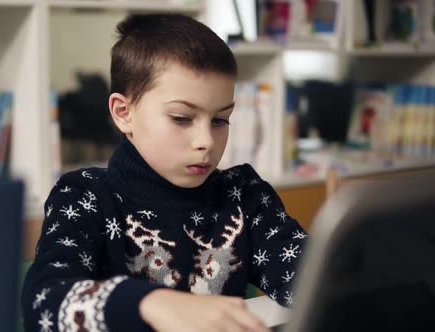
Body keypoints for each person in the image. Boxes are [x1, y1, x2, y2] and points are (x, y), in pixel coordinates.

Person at [22, 14, 307, 332]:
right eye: (182, 118)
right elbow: (44, 300)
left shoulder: (244, 195)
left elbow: (312, 278)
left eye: (220, 120)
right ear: (123, 112)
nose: (206, 142)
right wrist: (149, 303)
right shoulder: (85, 196)